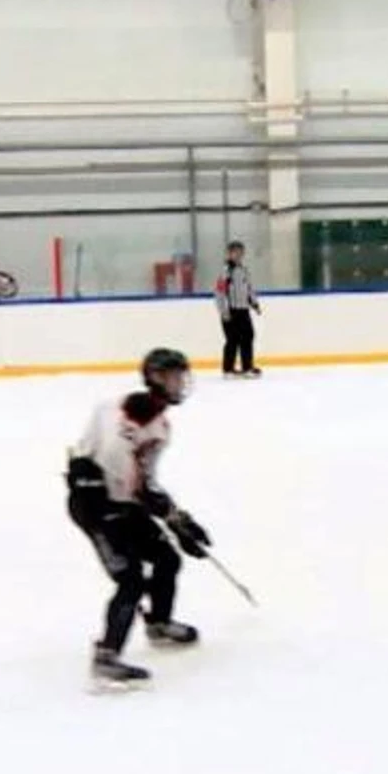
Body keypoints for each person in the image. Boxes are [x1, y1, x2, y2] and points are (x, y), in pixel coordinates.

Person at [64, 348, 213, 688]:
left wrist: (177, 518)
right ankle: (107, 656)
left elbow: (142, 481)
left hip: (122, 503)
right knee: (130, 579)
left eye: (181, 376)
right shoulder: (118, 414)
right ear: (156, 378)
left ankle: (158, 623)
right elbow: (124, 475)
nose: (180, 383)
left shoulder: (159, 426)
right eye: (174, 376)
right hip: (95, 508)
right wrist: (168, 514)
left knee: (166, 558)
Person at [215, 240, 262, 377]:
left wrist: (255, 304)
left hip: (243, 310)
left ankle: (247, 367)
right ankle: (228, 369)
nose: (238, 255)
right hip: (230, 310)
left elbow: (248, 289)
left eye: (241, 252)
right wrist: (224, 311)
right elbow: (220, 293)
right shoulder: (225, 271)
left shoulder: (244, 270)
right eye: (235, 252)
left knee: (248, 336)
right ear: (229, 253)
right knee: (232, 339)